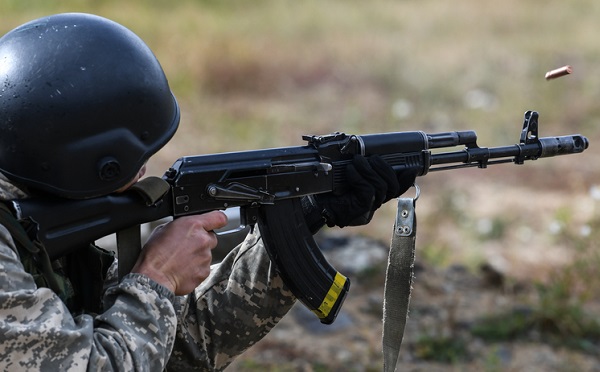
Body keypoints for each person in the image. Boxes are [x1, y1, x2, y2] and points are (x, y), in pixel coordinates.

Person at [0, 13, 416, 371]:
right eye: (133, 160)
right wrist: (157, 277)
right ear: (83, 162)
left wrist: (306, 214)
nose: (145, 171)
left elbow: (179, 348)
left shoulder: (39, 221)